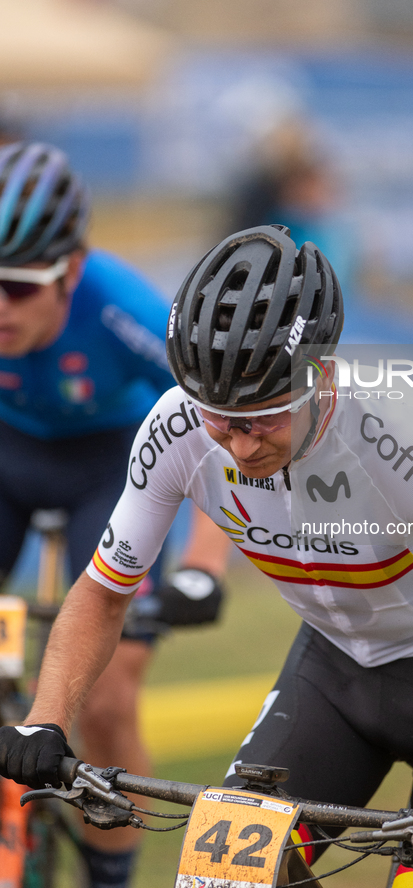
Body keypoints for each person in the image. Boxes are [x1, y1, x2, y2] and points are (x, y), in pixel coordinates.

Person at [0, 224, 413, 887]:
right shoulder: (175, 427)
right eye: (220, 418)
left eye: (264, 416)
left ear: (318, 377)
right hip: (333, 679)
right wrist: (44, 720)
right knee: (217, 881)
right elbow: (105, 592)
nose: (241, 445)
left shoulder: (398, 434)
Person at [0, 141, 229, 888]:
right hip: (9, 457)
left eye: (20, 287)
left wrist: (202, 566)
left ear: (71, 269)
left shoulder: (124, 309)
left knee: (105, 693)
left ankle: (111, 872)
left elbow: (223, 427)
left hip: (113, 465)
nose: (0, 306)